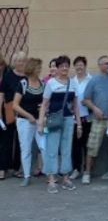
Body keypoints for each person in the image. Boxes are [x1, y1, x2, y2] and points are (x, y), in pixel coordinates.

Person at [38, 55, 82, 193]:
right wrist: (40, 123)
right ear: (56, 68)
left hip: (68, 120)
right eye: (61, 66)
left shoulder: (73, 83)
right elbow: (45, 105)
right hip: (53, 119)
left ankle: (65, 177)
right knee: (52, 148)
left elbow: (75, 106)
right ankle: (51, 179)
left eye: (66, 66)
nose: (64, 68)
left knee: (66, 148)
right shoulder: (51, 83)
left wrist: (79, 124)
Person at [82, 56, 108, 184]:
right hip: (98, 119)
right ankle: (87, 173)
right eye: (107, 63)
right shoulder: (94, 81)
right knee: (92, 147)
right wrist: (95, 109)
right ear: (100, 65)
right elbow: (85, 99)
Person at [12, 58, 46, 187]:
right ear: (33, 68)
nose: (40, 69)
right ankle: (26, 175)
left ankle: (49, 173)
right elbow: (15, 105)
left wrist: (43, 109)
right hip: (24, 121)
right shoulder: (23, 84)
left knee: (44, 146)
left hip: (39, 120)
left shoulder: (42, 84)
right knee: (25, 149)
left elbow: (45, 101)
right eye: (38, 67)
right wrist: (28, 115)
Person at [0, 51, 25, 180]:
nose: (20, 63)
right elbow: (2, 94)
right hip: (8, 111)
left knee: (21, 141)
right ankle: (2, 169)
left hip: (23, 112)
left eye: (22, 60)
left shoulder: (27, 76)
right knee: (6, 141)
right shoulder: (8, 76)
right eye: (18, 60)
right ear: (14, 62)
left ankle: (16, 168)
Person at [67, 56, 92, 181]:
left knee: (87, 144)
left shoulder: (91, 80)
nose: (79, 67)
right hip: (75, 118)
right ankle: (76, 169)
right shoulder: (71, 81)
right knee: (75, 144)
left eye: (81, 65)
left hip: (88, 117)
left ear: (85, 66)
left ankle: (87, 170)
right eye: (76, 65)